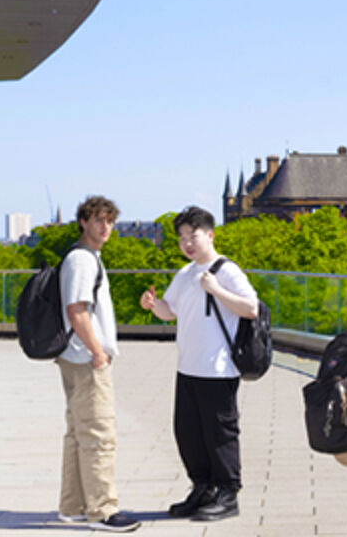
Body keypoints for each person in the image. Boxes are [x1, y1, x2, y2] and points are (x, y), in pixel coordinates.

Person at [139, 205, 259, 521]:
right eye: (181, 238)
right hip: (188, 368)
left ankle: (228, 493)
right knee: (188, 433)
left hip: (218, 370)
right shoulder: (185, 274)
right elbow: (170, 311)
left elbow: (251, 308)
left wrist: (216, 289)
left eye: (192, 236)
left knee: (220, 434)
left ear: (210, 235)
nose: (187, 244)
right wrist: (154, 306)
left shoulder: (227, 271)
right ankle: (203, 488)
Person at [55, 196, 140, 532]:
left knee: (78, 434)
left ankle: (73, 506)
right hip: (86, 359)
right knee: (99, 434)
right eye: (98, 220)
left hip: (76, 357)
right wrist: (98, 352)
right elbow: (77, 310)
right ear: (83, 222)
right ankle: (103, 511)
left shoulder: (87, 258)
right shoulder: (82, 261)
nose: (105, 227)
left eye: (110, 221)